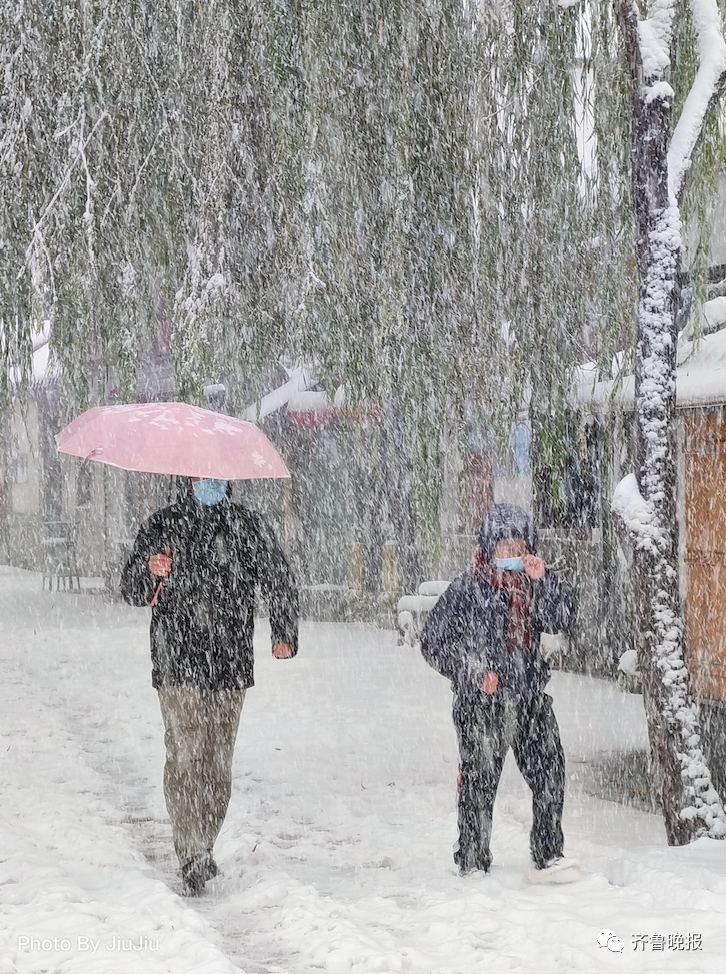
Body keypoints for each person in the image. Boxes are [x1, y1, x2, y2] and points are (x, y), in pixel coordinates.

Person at [121, 476, 299, 896]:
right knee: (185, 754)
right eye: (201, 478)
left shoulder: (245, 526)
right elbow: (129, 587)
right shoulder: (163, 525)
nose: (210, 484)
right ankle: (191, 853)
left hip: (229, 664)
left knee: (217, 764)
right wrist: (150, 569)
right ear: (185, 479)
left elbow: (277, 577)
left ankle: (204, 841)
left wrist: (283, 631)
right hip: (176, 661)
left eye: (216, 478)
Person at [420, 503, 576, 878]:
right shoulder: (467, 589)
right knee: (478, 783)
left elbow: (564, 618)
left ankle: (548, 853)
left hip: (529, 699)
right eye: (504, 548)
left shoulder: (533, 586)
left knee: (550, 775)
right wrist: (474, 672)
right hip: (482, 705)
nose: (512, 555)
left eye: (519, 547)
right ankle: (472, 859)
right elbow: (432, 642)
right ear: (489, 548)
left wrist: (544, 581)